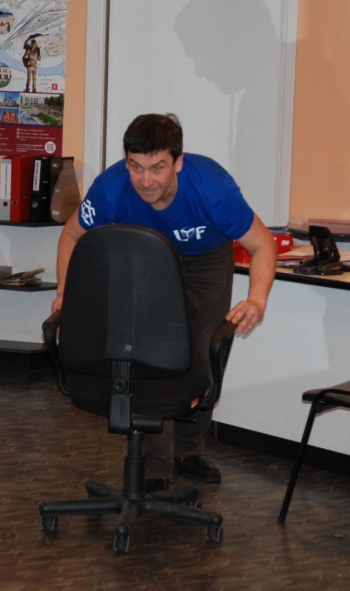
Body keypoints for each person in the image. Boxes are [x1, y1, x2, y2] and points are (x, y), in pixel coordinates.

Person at [52, 113, 277, 490]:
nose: (145, 181)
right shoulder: (111, 187)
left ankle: (187, 449)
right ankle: (154, 464)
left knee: (203, 350)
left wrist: (257, 299)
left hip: (206, 260)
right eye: (136, 167)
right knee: (150, 353)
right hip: (145, 258)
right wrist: (64, 292)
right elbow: (72, 235)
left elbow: (262, 243)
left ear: (178, 161)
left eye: (157, 167)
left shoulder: (212, 188)